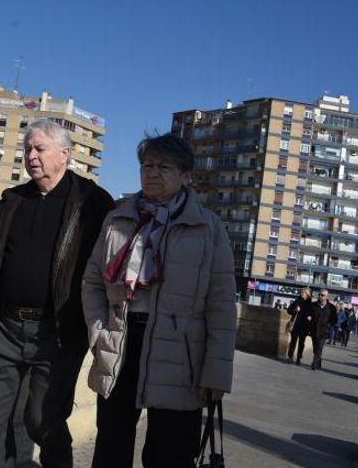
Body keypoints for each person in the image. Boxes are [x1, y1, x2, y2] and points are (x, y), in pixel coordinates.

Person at [0, 119, 115, 468]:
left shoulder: (92, 202)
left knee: (42, 418)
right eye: (27, 149)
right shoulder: (12, 201)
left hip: (58, 332)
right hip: (5, 327)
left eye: (40, 149)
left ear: (63, 155)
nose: (31, 156)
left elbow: (112, 262)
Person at [81, 134, 237, 467]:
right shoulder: (118, 219)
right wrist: (99, 331)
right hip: (121, 342)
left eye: (163, 166)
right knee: (110, 445)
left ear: (186, 176)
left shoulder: (208, 228)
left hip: (181, 353)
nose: (152, 172)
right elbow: (92, 281)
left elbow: (222, 306)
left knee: (170, 452)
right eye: (147, 165)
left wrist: (216, 374)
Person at [310, 289, 338, 370]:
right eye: (319, 295)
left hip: (324, 331)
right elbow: (309, 314)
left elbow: (334, 319)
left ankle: (314, 364)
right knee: (315, 349)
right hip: (314, 330)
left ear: (326, 296)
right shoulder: (313, 305)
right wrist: (309, 318)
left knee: (319, 348)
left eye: (322, 295)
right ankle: (318, 361)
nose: (320, 296)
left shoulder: (331, 307)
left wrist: (329, 325)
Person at [286, 287, 313, 365]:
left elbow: (312, 314)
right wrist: (295, 310)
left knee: (302, 343)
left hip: (304, 326)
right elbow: (289, 310)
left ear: (307, 294)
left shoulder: (310, 304)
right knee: (293, 341)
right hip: (295, 325)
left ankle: (298, 358)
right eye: (301, 293)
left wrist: (310, 317)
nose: (301, 294)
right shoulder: (297, 301)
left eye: (303, 293)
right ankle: (290, 357)